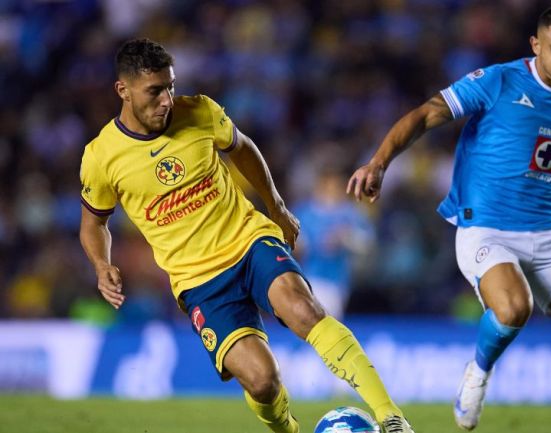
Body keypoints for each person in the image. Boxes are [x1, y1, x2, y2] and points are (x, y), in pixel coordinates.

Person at [348, 6, 551, 433]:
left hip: (549, 232)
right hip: (485, 227)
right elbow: (428, 113)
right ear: (536, 46)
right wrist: (379, 163)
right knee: (513, 308)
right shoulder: (498, 80)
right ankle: (479, 371)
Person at [79, 38, 413, 433]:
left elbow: (243, 148)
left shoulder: (199, 111)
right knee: (262, 380)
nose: (167, 99)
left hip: (248, 240)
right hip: (198, 281)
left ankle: (391, 418)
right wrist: (102, 265)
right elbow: (93, 223)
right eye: (155, 91)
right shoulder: (102, 157)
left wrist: (276, 206)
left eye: (170, 86)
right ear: (124, 90)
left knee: (303, 309)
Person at [293, 166, 374, 319]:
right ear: (321, 186)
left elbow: (366, 244)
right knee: (318, 324)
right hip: (311, 277)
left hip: (339, 280)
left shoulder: (349, 212)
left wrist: (346, 238)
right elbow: (292, 244)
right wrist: (302, 246)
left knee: (330, 324)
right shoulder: (304, 213)